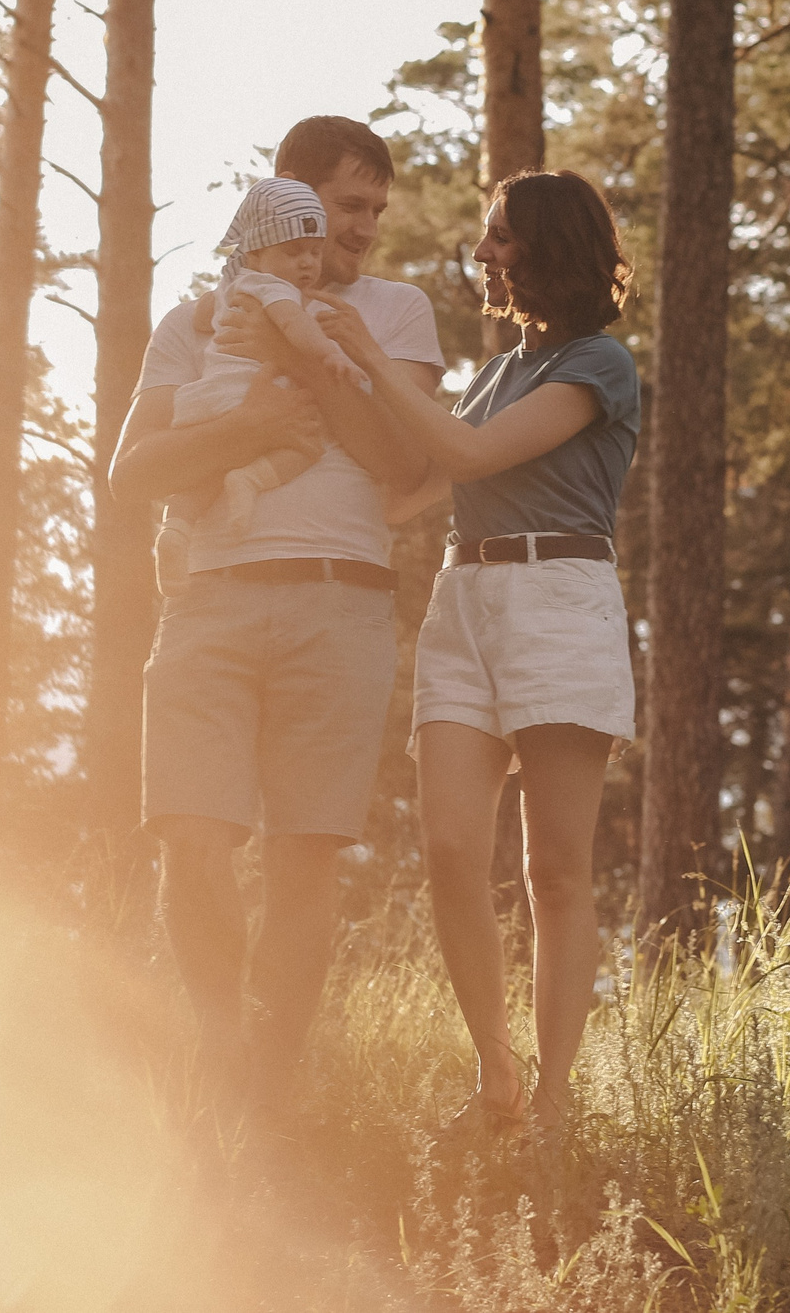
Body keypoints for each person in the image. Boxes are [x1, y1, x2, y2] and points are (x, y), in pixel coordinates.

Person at [108, 116, 445, 1122]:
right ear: (286, 203)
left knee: (304, 850)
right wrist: (254, 424)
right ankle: (218, 1047)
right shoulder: (197, 318)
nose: (363, 230)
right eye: (347, 207)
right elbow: (135, 473)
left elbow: (406, 463)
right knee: (192, 836)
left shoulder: (399, 312)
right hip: (207, 598)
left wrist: (313, 361)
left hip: (342, 600)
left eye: (375, 211)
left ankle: (270, 1080)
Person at [305, 168, 639, 1138]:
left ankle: (554, 1098)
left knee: (555, 873)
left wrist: (364, 348)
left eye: (498, 236)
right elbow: (414, 481)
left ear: (548, 245)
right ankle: (497, 1066)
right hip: (466, 600)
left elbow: (471, 458)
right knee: (450, 851)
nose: (483, 254)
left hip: (558, 600)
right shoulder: (496, 373)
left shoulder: (599, 364)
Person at [154, 176, 369, 596]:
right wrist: (332, 353)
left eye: (314, 251)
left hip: (211, 398)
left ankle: (175, 528)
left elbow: (203, 318)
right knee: (306, 446)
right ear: (254, 252)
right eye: (293, 252)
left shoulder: (233, 288)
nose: (308, 264)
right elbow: (296, 326)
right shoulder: (272, 287)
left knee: (207, 472)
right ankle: (251, 480)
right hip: (246, 392)